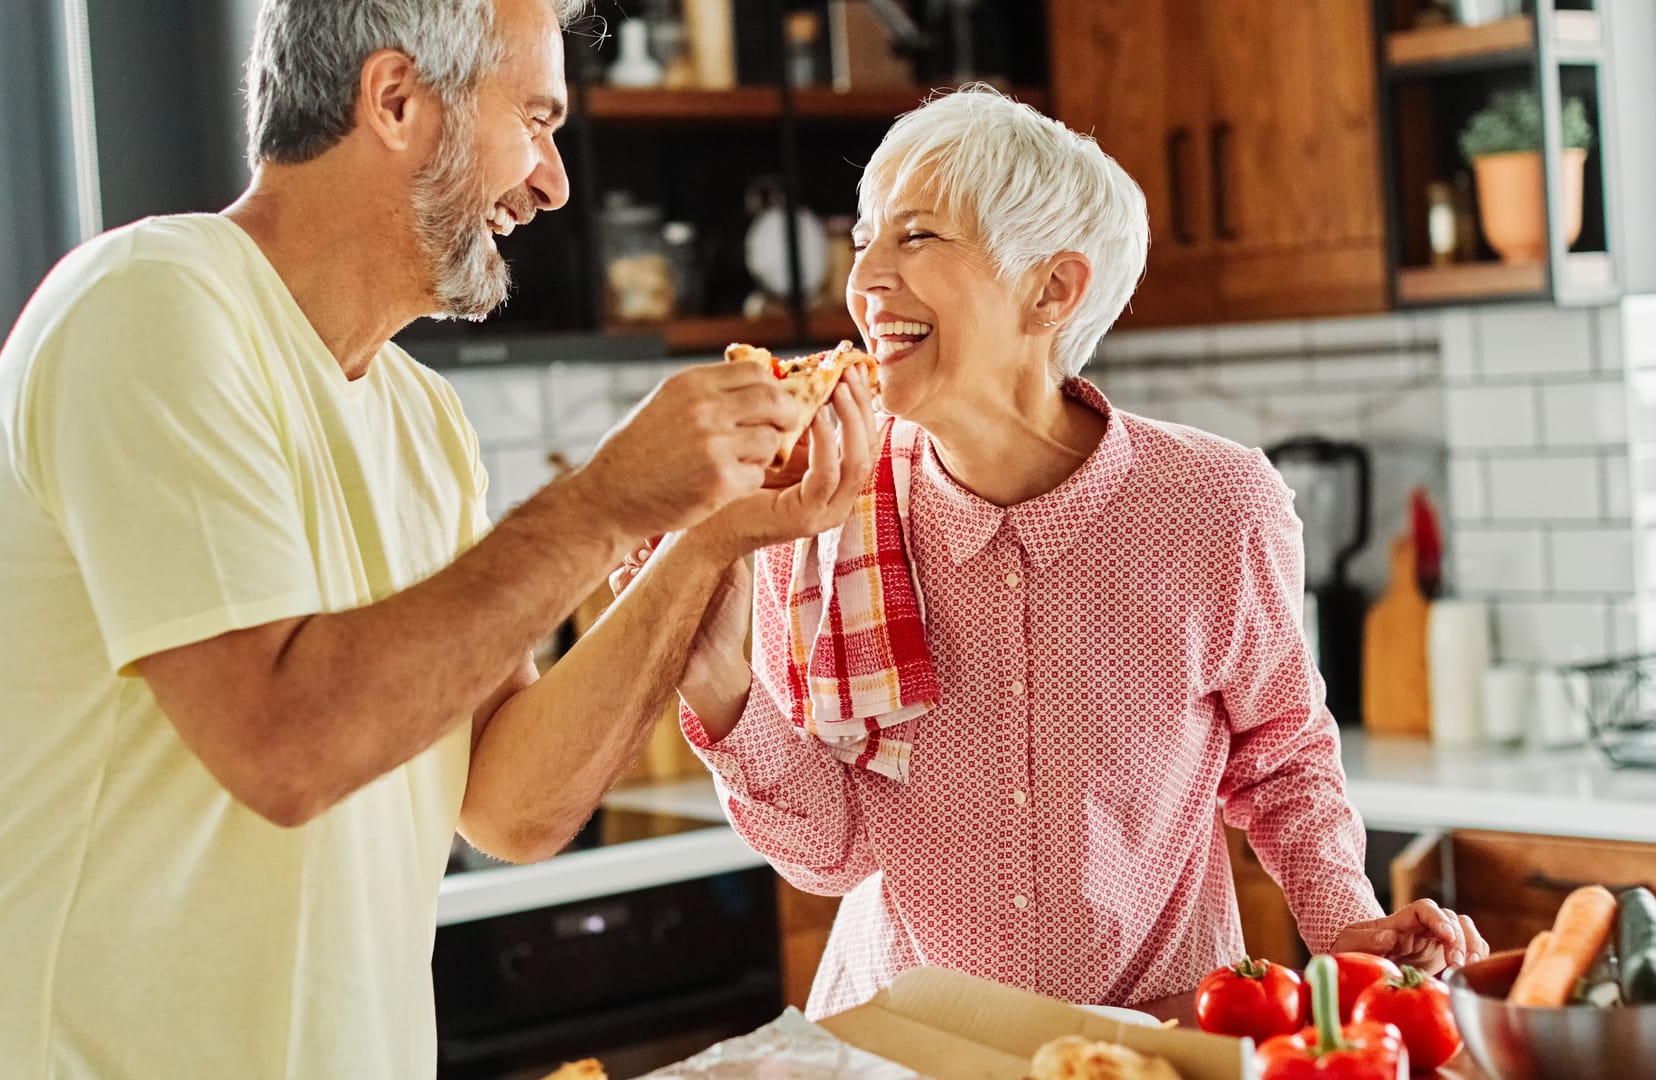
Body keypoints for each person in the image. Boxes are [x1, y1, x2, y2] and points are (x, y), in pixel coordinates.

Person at [0, 1, 876, 1076]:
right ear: (398, 100)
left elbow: (508, 803)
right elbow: (284, 746)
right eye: (537, 120)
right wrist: (607, 503)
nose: (553, 181)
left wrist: (699, 546)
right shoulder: (153, 307)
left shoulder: (423, 420)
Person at [615, 87, 1489, 1018]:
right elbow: (830, 855)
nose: (864, 277)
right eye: (865, 236)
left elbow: (1281, 757)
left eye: (917, 237)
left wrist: (1345, 924)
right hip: (905, 1048)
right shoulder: (818, 511)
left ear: (1052, 290)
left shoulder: (1217, 507)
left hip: (1153, 1042)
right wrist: (716, 682)